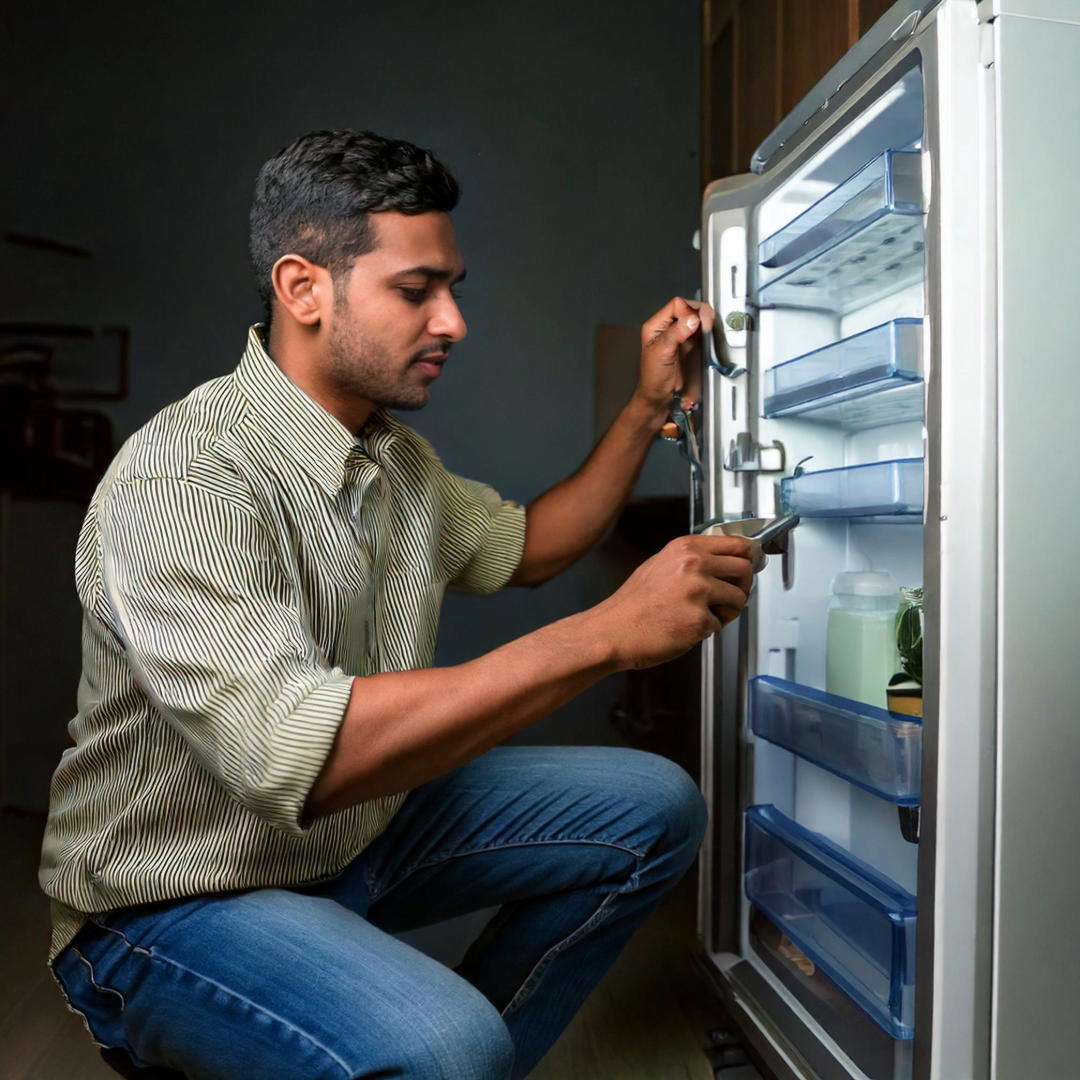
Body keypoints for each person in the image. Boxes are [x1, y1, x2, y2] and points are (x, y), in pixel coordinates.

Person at [39, 128, 753, 1080]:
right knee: (445, 1047)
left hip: (354, 841)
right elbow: (304, 755)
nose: (453, 321)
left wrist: (640, 410)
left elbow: (530, 548)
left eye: (452, 288)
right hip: (170, 903)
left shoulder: (394, 459)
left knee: (656, 807)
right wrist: (607, 635)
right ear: (303, 290)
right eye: (416, 292)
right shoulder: (187, 474)